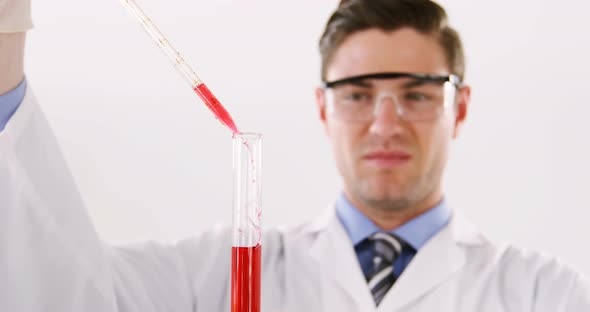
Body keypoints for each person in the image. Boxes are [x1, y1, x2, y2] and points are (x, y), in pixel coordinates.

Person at [1, 0, 589, 311]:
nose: (386, 123)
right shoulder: (218, 275)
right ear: (322, 108)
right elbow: (65, 293)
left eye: (416, 94)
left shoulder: (546, 295)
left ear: (457, 109)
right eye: (358, 95)